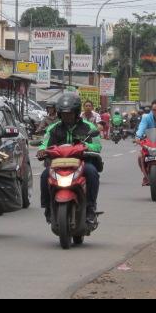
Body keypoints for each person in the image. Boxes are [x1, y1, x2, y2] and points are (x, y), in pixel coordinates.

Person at [37, 93, 102, 225]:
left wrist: (87, 146)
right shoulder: (53, 128)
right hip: (58, 164)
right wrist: (42, 150)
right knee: (44, 175)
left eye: (70, 113)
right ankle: (48, 208)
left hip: (81, 163)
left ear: (76, 113)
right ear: (60, 114)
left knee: (92, 173)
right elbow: (44, 144)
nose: (67, 116)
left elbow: (97, 146)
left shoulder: (89, 127)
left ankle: (90, 208)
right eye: (64, 114)